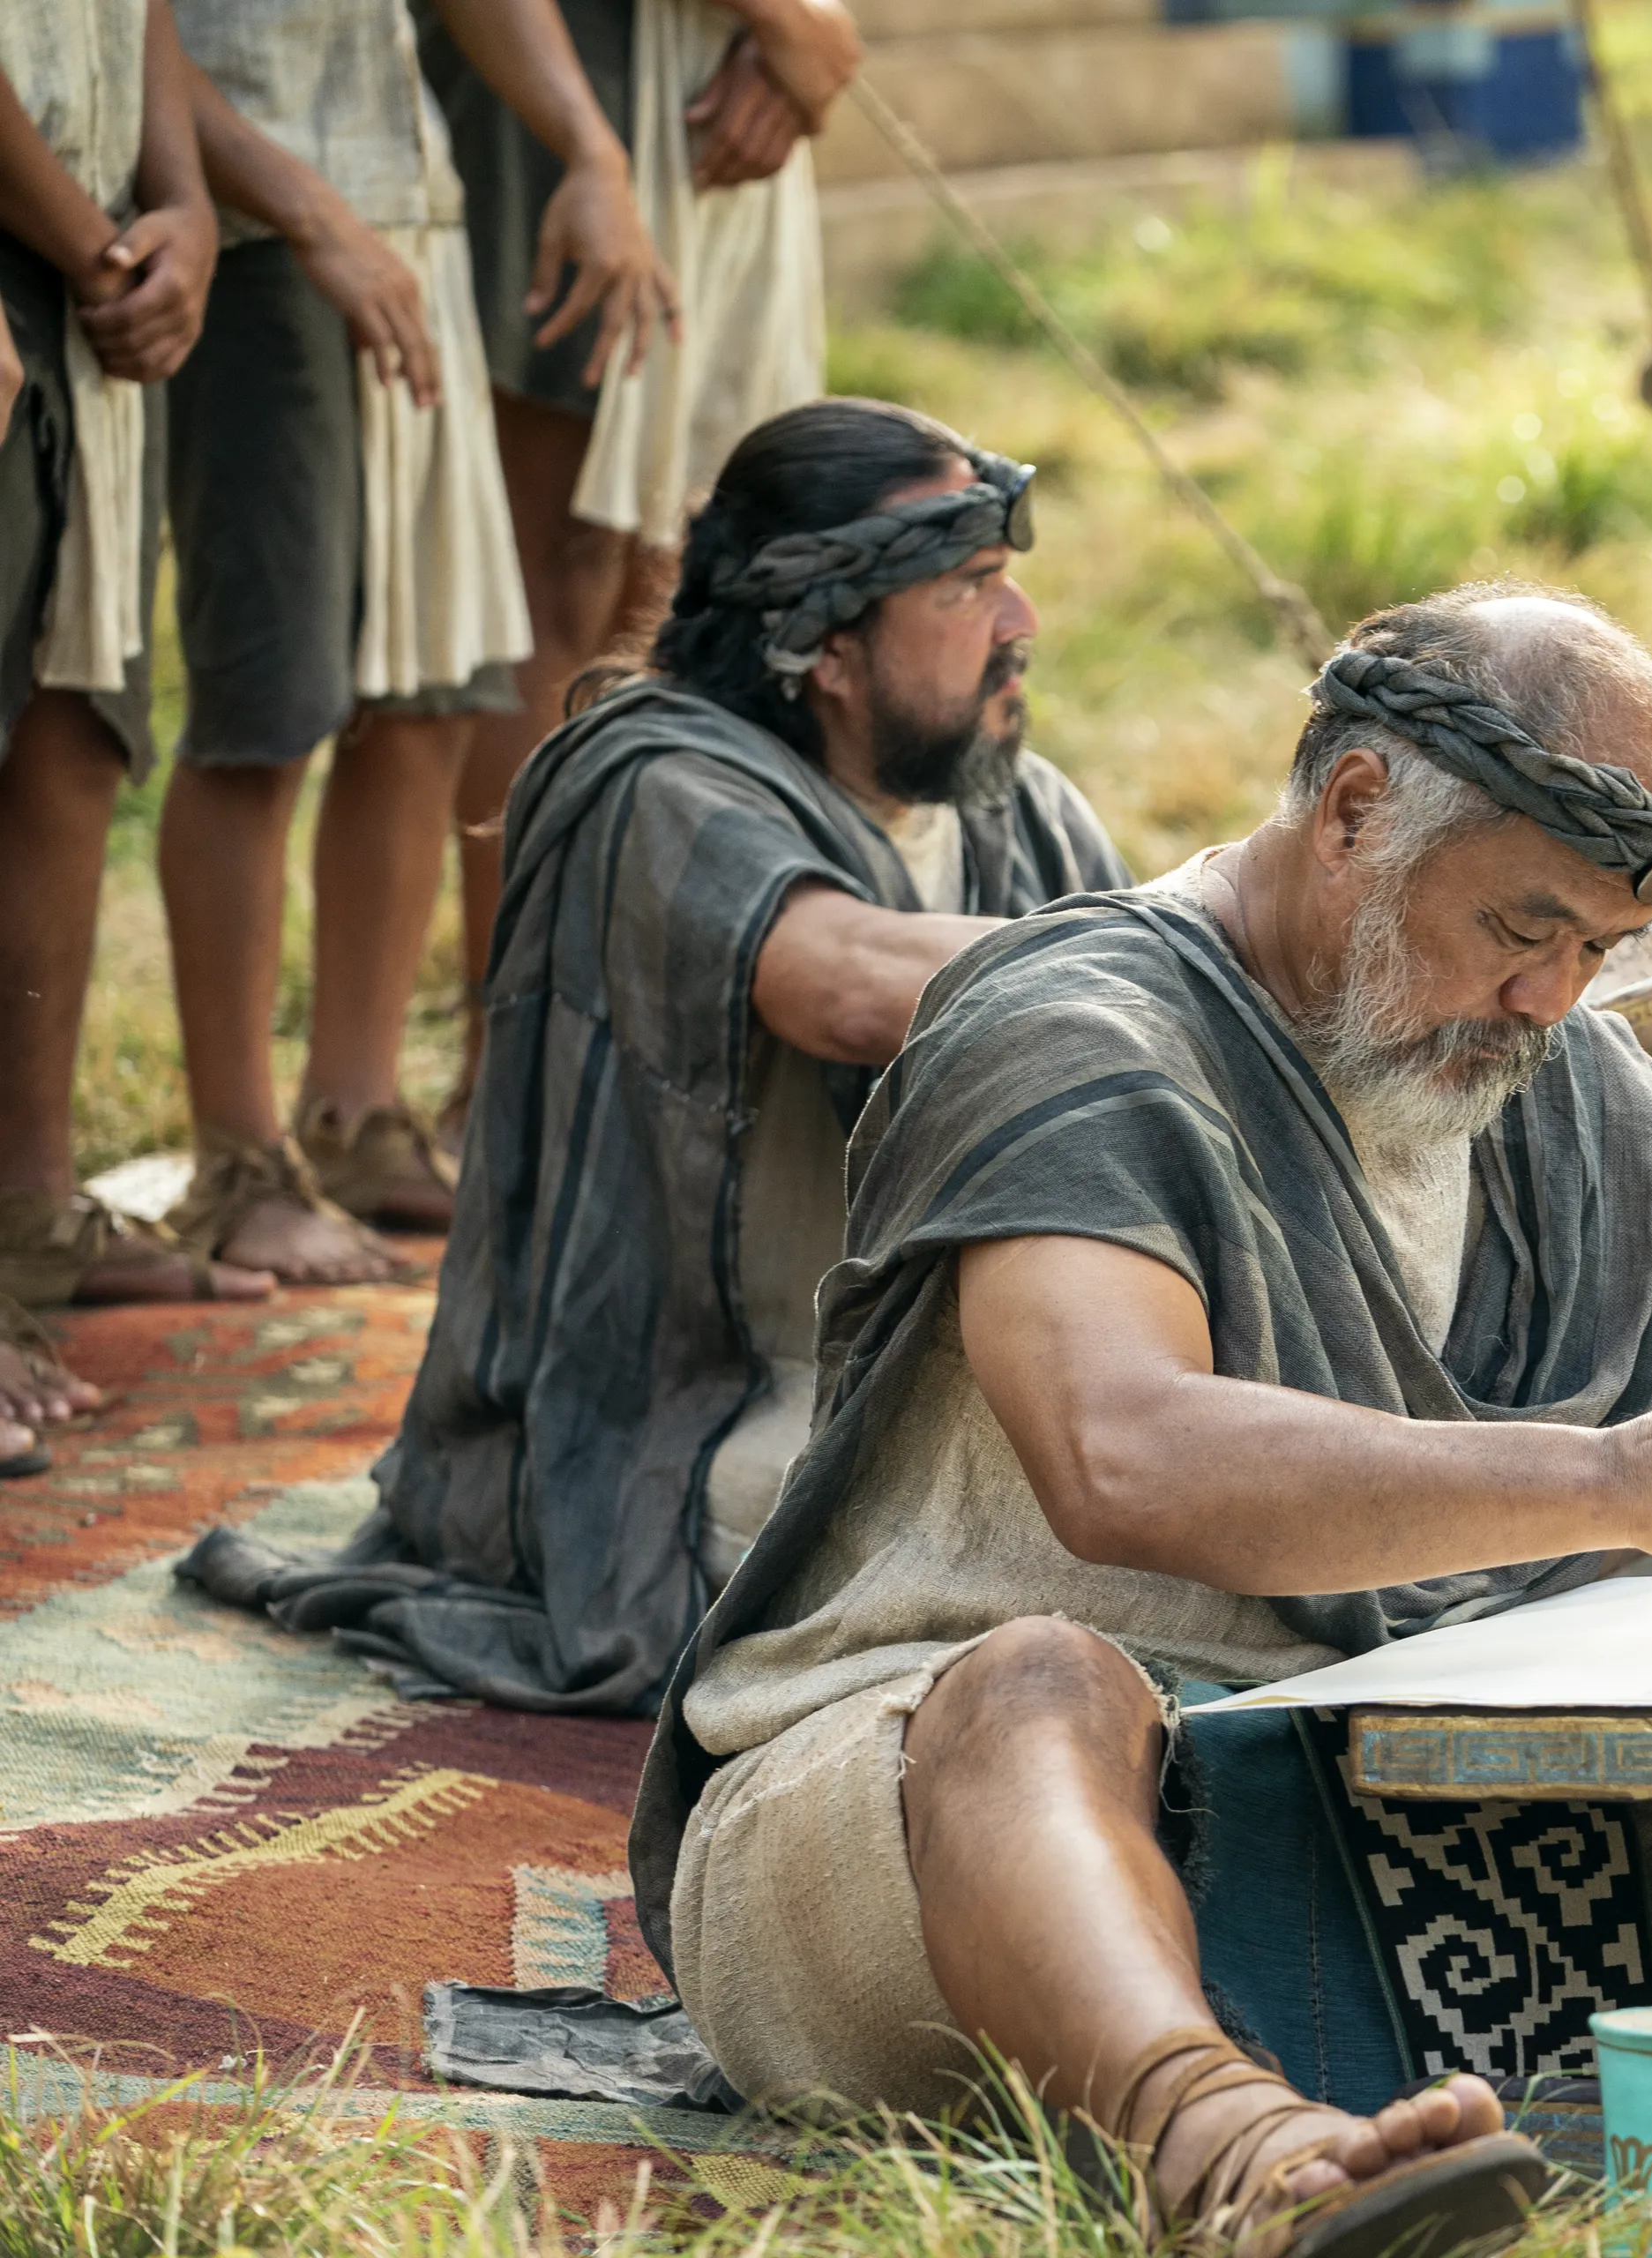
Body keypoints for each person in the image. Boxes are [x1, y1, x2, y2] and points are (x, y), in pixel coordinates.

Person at [620, 581, 1652, 2251]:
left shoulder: (1576, 1090)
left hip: (1371, 1799)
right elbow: (1120, 1458)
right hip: (921, 1811)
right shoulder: (1075, 1031)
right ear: (1354, 813)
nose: (1556, 1001)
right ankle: (1225, 2154)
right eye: (1521, 929)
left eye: (1599, 951)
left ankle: (1354, 2129)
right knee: (1050, 1678)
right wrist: (1620, 1476)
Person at [183, 398, 1126, 1706]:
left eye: (1008, 585)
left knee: (1161, 1496)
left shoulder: (1013, 805)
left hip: (882, 1408)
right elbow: (845, 984)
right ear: (826, 645)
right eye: (971, 588)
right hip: (661, 1436)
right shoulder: (642, 778)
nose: (1020, 625)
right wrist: (1180, 958)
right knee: (1080, 1557)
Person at [153, 0, 647, 1287]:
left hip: (409, 213)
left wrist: (593, 152)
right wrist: (312, 219)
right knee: (268, 709)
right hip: (258, 228)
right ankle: (237, 1159)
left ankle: (355, 1113)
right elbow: (126, 34)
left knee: (435, 689)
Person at [430, 0, 856, 1140]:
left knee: (678, 575)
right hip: (581, 60)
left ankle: (638, 1041)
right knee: (562, 571)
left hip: (722, 78)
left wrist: (785, 39)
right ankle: (508, 1058)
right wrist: (789, 22)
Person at [3, 0, 242, 1487]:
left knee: (71, 743)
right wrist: (99, 245)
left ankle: (29, 1211)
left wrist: (187, 211)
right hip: (50, 250)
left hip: (89, 253)